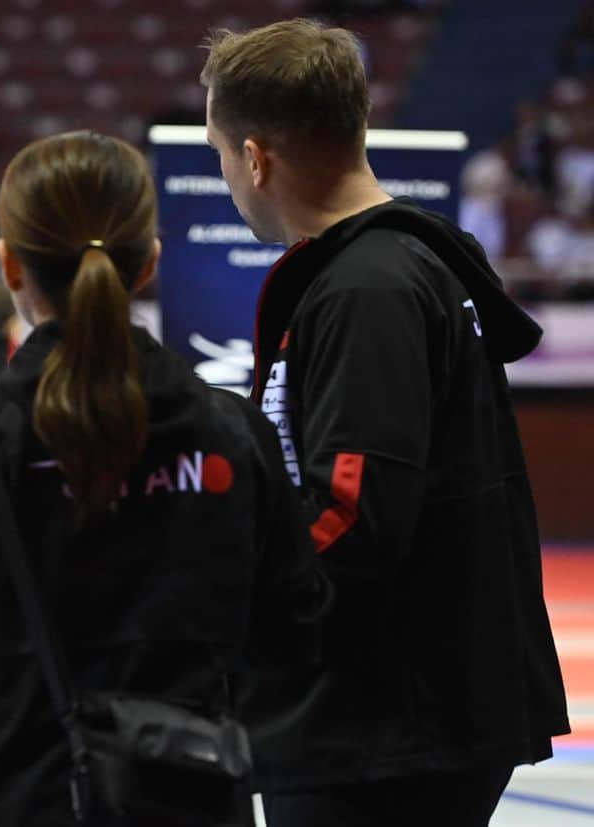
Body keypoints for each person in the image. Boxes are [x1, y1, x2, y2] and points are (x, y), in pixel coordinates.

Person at [0, 130, 329, 825]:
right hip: (194, 802)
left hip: (19, 800)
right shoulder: (233, 433)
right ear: (149, 263)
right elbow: (296, 639)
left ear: (10, 265)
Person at [200, 19, 570, 827]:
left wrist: (225, 602)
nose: (229, 177)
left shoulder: (370, 289)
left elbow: (354, 517)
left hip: (386, 723)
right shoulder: (397, 265)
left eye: (222, 156)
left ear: (256, 158)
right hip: (401, 709)